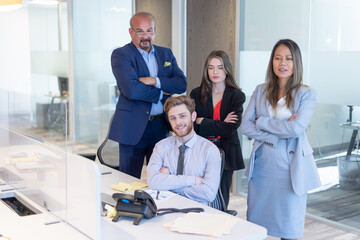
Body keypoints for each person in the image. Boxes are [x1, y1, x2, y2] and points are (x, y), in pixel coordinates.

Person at [240, 39, 321, 240]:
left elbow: (296, 128)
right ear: (272, 62)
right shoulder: (260, 90)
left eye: (288, 58)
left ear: (296, 63)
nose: (282, 63)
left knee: (289, 226)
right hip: (263, 167)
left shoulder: (306, 93)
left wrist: (263, 121)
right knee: (257, 226)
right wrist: (275, 137)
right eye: (277, 58)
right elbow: (245, 126)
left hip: (291, 167)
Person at [108, 12, 187, 178]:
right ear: (131, 32)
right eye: (140, 31)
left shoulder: (166, 54)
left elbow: (181, 84)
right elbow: (131, 89)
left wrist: (154, 80)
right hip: (132, 126)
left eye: (149, 31)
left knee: (159, 178)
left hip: (160, 127)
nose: (145, 36)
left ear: (155, 30)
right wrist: (162, 91)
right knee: (128, 180)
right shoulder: (121, 55)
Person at [190, 50, 246, 209]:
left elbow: (230, 128)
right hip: (202, 151)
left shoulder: (236, 96)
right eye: (211, 67)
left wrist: (204, 121)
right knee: (200, 192)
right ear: (206, 70)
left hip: (226, 151)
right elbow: (193, 126)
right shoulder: (196, 93)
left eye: (220, 67)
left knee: (221, 195)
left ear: (227, 70)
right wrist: (218, 123)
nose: (215, 72)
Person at [147, 96, 221, 204]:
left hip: (197, 213)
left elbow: (208, 193)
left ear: (193, 116)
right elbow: (153, 182)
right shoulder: (161, 146)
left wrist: (168, 182)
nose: (178, 122)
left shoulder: (210, 150)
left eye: (182, 116)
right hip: (166, 207)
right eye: (173, 118)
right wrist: (193, 180)